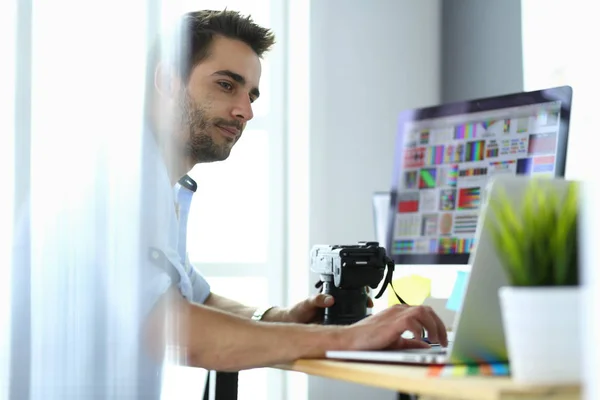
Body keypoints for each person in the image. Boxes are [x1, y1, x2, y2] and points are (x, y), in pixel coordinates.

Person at [142, 8, 448, 376]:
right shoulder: (130, 186)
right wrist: (350, 338)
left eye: (252, 96)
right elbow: (170, 327)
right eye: (226, 84)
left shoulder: (161, 185)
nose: (245, 111)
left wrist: (281, 318)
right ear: (168, 81)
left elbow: (196, 299)